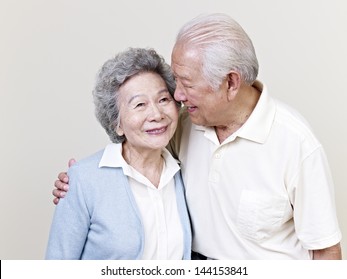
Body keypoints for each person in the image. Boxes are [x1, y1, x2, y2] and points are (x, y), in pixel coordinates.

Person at [52, 13, 342, 259]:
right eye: (175, 81)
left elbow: (326, 252)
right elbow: (136, 144)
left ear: (230, 83)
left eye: (186, 83)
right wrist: (80, 184)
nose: (176, 96)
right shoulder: (184, 125)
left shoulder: (296, 144)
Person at [46, 47, 192, 260]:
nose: (156, 114)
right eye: (140, 104)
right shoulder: (83, 180)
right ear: (117, 124)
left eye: (163, 100)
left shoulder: (183, 173)